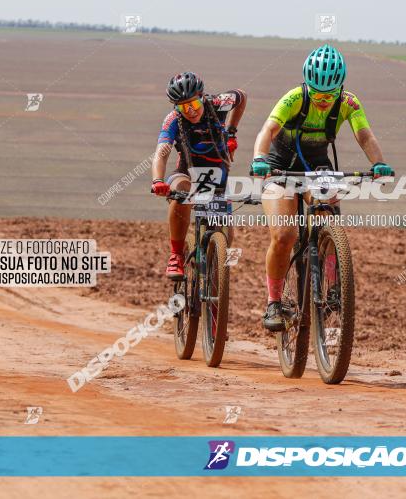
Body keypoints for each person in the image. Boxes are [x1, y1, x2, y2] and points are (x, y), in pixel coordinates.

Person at [249, 45, 393, 331]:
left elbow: (364, 135)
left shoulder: (349, 102)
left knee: (327, 215)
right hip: (280, 166)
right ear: (307, 85)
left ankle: (333, 282)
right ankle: (274, 302)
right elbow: (267, 131)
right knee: (285, 234)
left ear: (341, 86)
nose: (324, 100)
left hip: (317, 166)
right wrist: (258, 159)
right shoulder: (294, 98)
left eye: (330, 94)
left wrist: (378, 163)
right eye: (317, 94)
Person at [151, 72, 246, 280]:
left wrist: (231, 131)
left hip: (218, 177)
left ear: (202, 96)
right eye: (183, 107)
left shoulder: (220, 103)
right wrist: (158, 180)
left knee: (226, 237)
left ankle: (215, 286)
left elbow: (242, 96)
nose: (191, 110)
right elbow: (162, 152)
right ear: (176, 107)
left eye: (193, 103)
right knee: (181, 193)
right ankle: (176, 255)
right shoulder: (173, 119)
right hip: (186, 173)